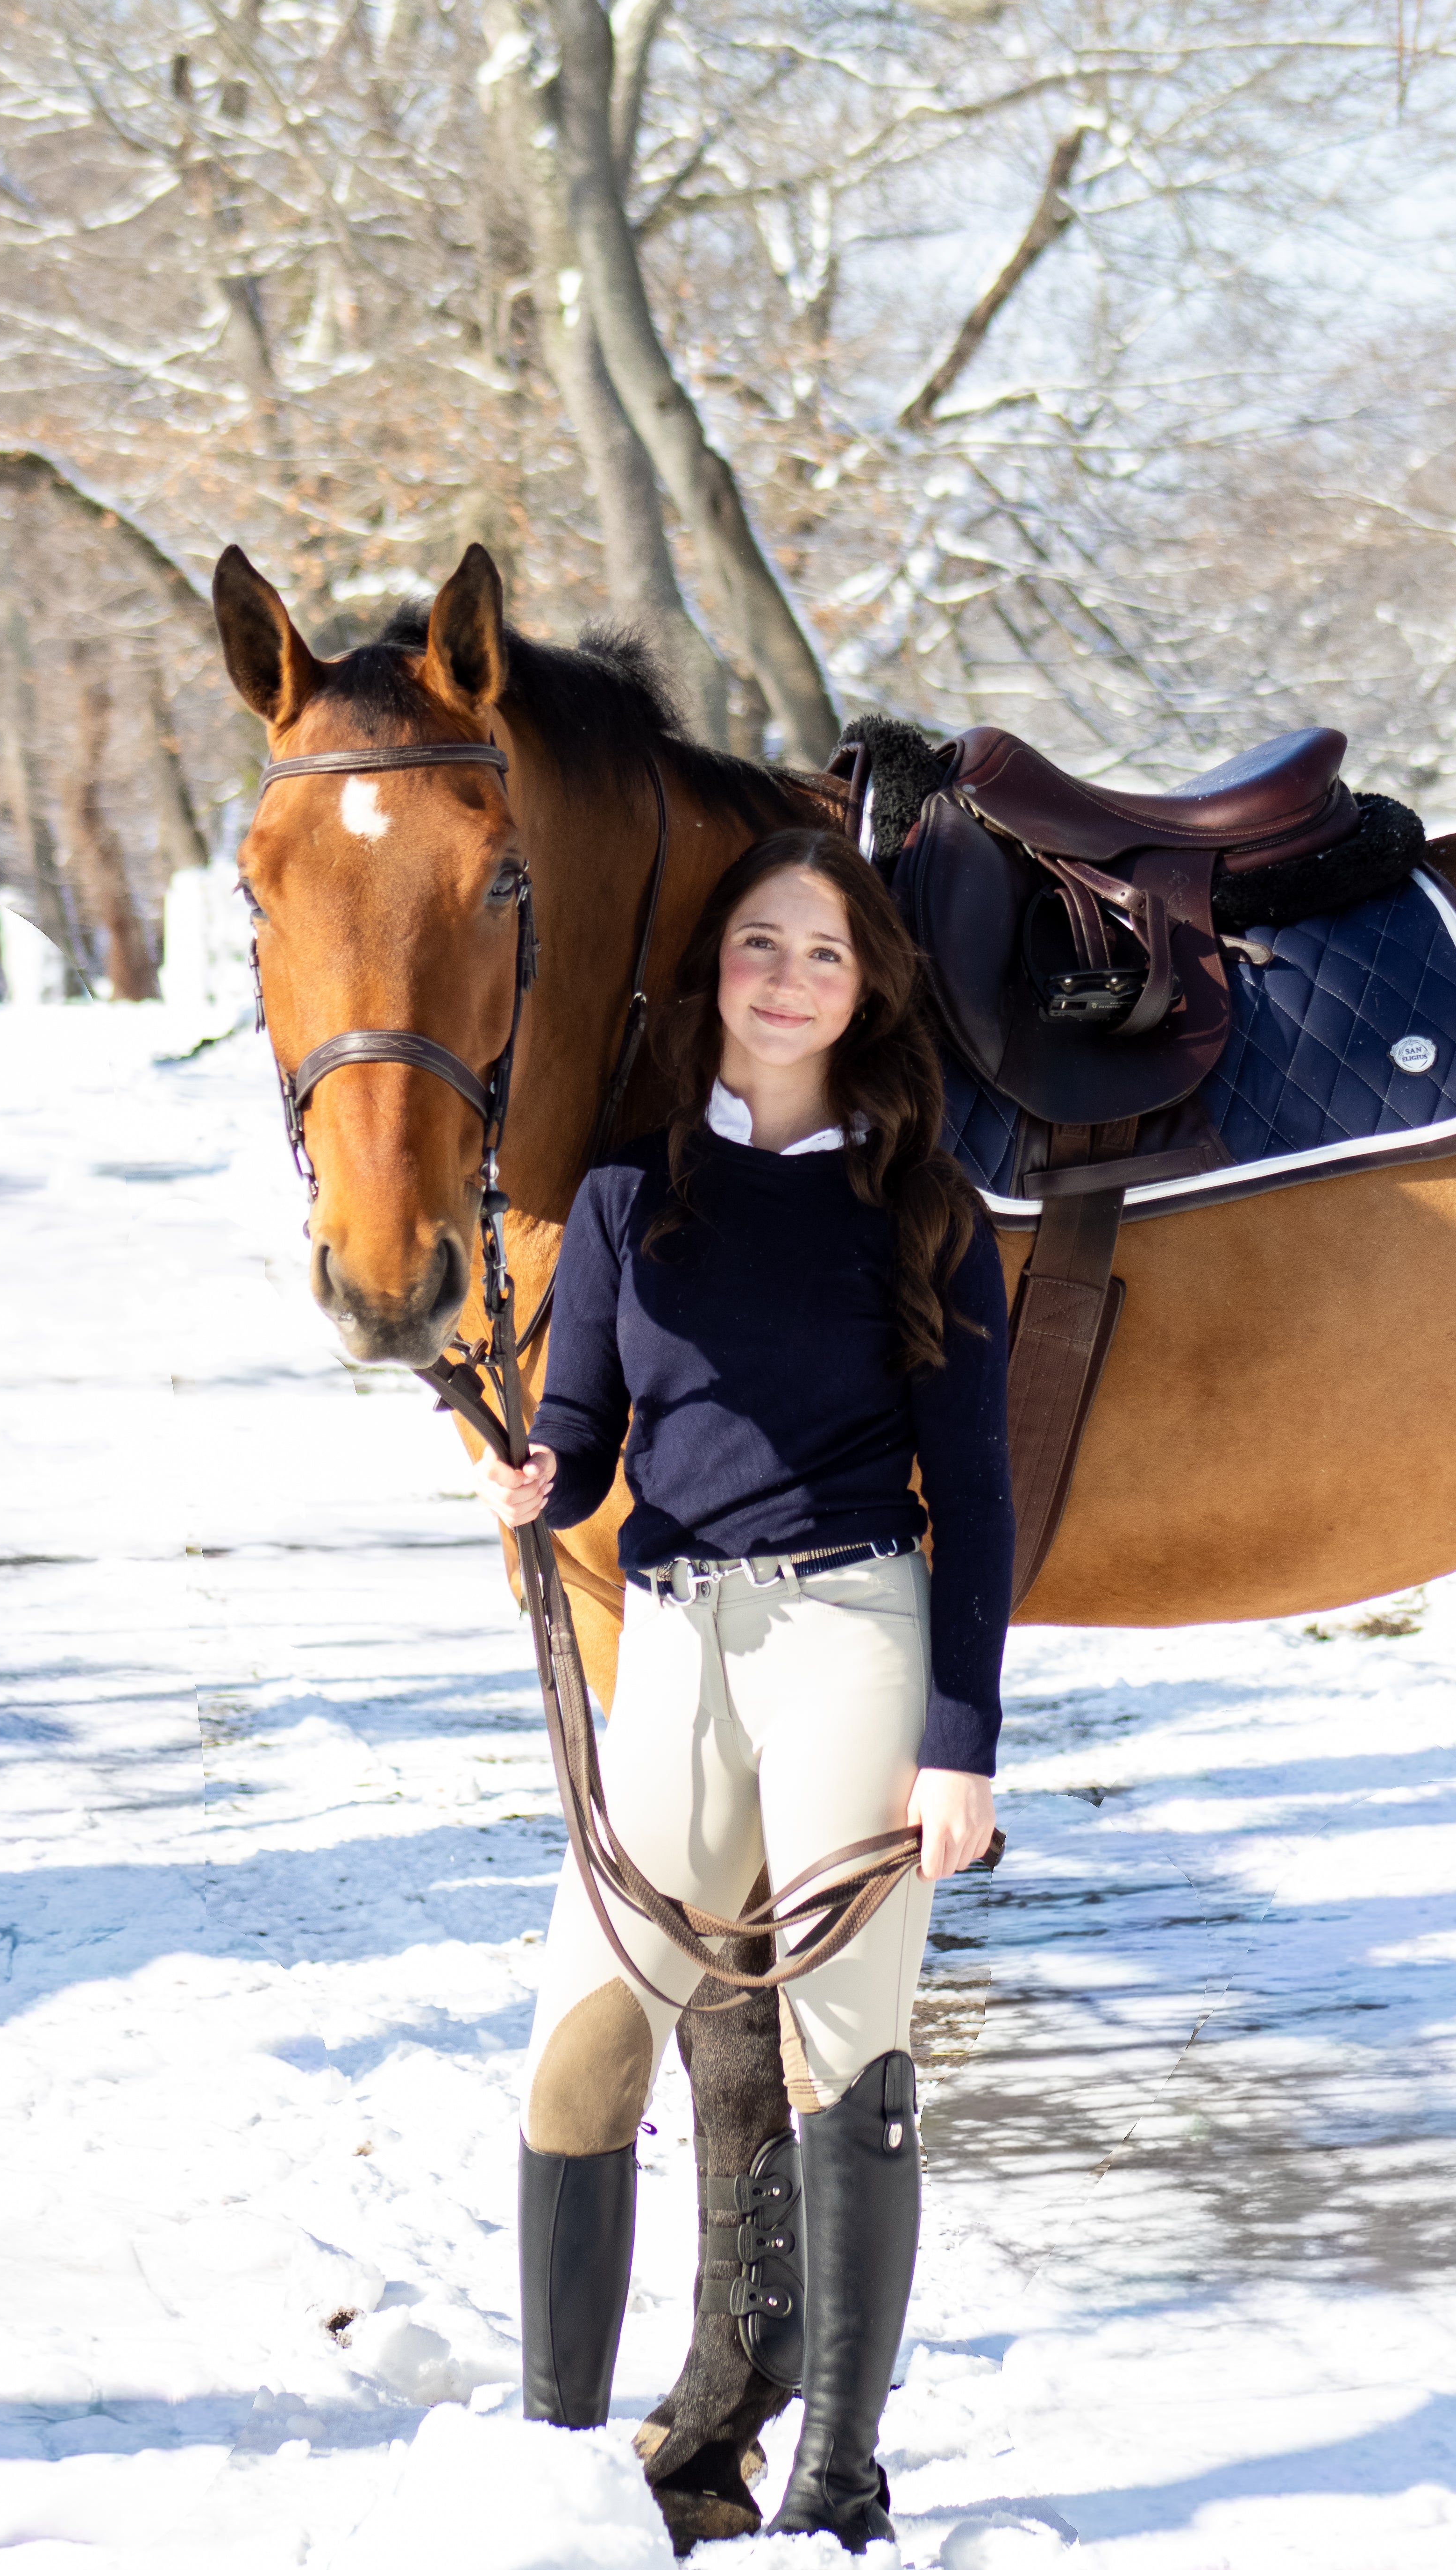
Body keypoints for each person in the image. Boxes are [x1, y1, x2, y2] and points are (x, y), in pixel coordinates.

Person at [471, 826, 1014, 2554]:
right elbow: (584, 1427)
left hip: (856, 1628)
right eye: (759, 945)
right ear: (714, 970)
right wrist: (534, 1476)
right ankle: (562, 2460)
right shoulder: (634, 1195)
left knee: (841, 2045)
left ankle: (839, 2479)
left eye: (825, 954)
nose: (786, 978)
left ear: (869, 994)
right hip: (679, 1642)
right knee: (588, 2027)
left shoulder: (921, 1209)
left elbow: (980, 1496)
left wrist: (961, 1745)